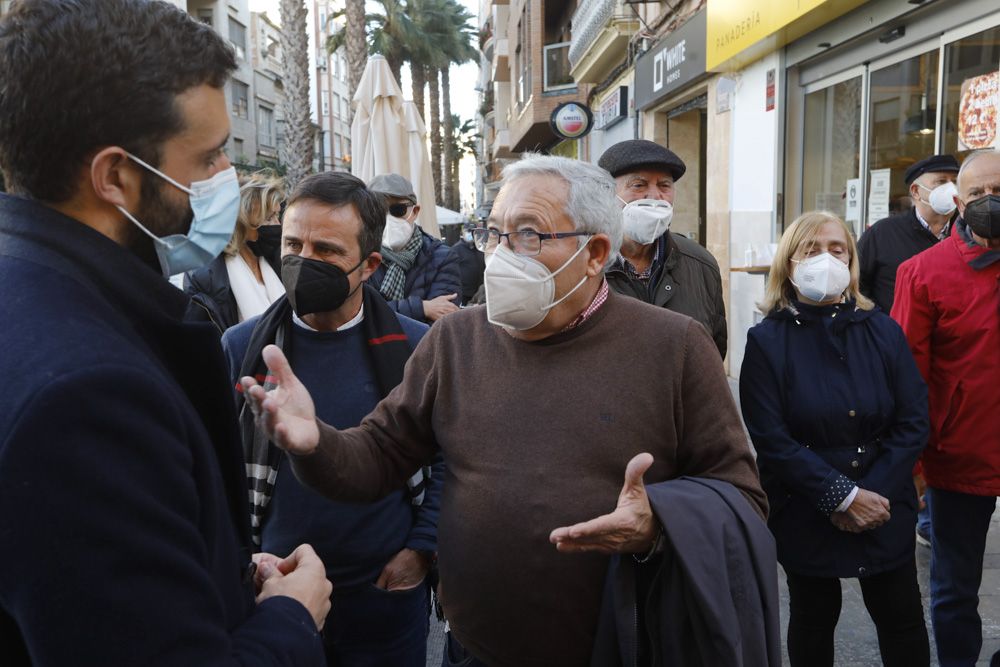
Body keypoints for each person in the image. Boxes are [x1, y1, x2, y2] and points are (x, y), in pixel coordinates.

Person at [240, 155, 774, 667]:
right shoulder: (456, 338)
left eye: (528, 234)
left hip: (620, 645)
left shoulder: (675, 346)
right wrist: (315, 441)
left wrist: (658, 521)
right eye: (492, 233)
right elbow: (379, 452)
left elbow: (742, 496)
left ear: (594, 253)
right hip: (475, 649)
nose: (499, 254)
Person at [0, 1, 331, 663]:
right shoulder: (88, 394)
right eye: (207, 159)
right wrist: (293, 618)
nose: (223, 183)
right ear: (116, 176)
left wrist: (209, 567)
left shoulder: (38, 290)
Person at [221, 172, 441, 667]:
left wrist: (420, 551)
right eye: (294, 244)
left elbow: (448, 455)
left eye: (326, 250)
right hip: (274, 592)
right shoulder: (241, 346)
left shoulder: (416, 346)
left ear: (370, 265)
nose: (304, 261)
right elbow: (218, 466)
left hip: (383, 596)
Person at [740, 210, 930, 667]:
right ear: (789, 263)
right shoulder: (767, 341)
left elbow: (912, 421)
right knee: (812, 615)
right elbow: (771, 438)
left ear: (851, 261)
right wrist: (841, 497)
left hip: (884, 501)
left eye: (836, 249)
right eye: (811, 250)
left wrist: (872, 496)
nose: (825, 258)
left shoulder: (883, 330)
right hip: (804, 503)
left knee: (900, 615)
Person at [892, 148, 1000, 667]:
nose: (989, 201)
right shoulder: (922, 273)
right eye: (977, 193)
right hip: (957, 457)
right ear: (956, 201)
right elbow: (905, 377)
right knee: (956, 587)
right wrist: (911, 464)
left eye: (998, 190)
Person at [858, 153, 960, 548]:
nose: (949, 188)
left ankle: (934, 519)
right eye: (941, 180)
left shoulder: (967, 233)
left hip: (950, 363)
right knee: (902, 431)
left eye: (955, 179)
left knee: (943, 432)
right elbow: (858, 288)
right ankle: (903, 504)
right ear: (916, 190)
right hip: (891, 358)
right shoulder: (884, 234)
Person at [598, 139, 727, 357]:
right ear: (607, 193)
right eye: (639, 185)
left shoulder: (700, 263)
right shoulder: (584, 263)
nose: (655, 196)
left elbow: (712, 350)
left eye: (664, 185)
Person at [185, 172, 286, 332]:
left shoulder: (279, 260)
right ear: (241, 223)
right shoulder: (206, 278)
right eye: (269, 218)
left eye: (277, 215)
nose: (277, 224)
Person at [366, 173, 461, 323]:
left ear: (415, 211)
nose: (388, 218)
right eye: (378, 211)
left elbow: (443, 321)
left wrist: (383, 312)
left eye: (398, 210)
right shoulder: (362, 254)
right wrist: (422, 308)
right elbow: (357, 313)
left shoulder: (443, 257)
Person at [451, 225, 485, 305]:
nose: (471, 234)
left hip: (479, 292)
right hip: (464, 293)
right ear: (462, 234)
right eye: (469, 231)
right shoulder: (456, 250)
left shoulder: (479, 248)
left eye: (473, 232)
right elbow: (451, 271)